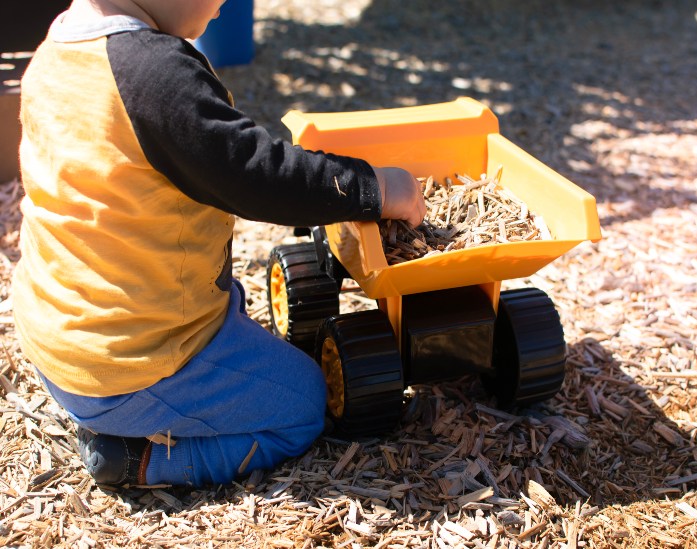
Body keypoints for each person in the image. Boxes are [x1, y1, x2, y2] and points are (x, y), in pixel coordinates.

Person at [13, 0, 425, 488]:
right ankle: (134, 457)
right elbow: (255, 174)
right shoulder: (153, 74)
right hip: (128, 366)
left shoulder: (58, 45)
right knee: (303, 405)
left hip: (57, 339)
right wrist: (372, 188)